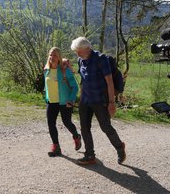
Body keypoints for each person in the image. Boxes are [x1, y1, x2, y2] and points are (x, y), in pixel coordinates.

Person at [70, 37, 126, 165]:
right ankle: (89, 155)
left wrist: (111, 103)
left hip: (100, 100)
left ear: (87, 49)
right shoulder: (80, 60)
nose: (77, 54)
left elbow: (110, 82)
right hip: (85, 100)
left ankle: (119, 147)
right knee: (84, 128)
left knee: (105, 127)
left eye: (78, 51)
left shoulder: (101, 59)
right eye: (76, 52)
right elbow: (83, 82)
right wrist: (78, 99)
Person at [44, 47, 81, 157]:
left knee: (67, 122)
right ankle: (56, 147)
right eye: (51, 54)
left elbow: (75, 87)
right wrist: (47, 98)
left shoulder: (65, 70)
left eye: (55, 55)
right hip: (51, 102)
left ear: (59, 57)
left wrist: (71, 99)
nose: (52, 57)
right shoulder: (46, 70)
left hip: (65, 102)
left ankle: (76, 136)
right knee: (51, 124)